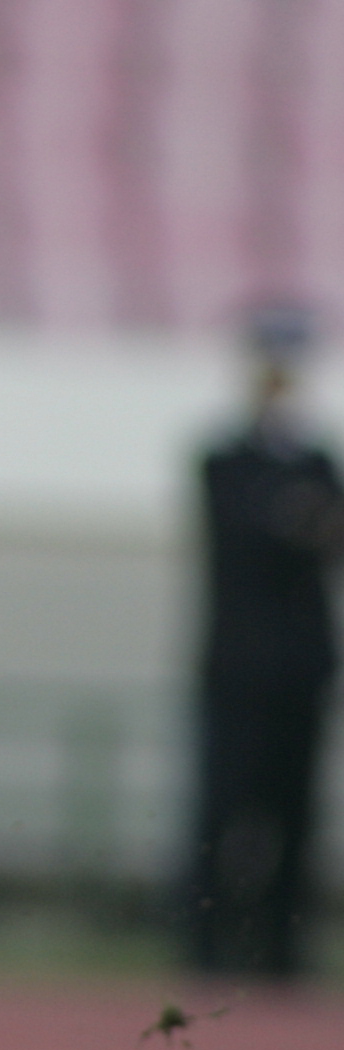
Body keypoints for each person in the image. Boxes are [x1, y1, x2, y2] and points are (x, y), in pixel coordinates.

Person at [184, 305, 339, 979]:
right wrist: (295, 520)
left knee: (295, 815)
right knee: (221, 810)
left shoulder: (318, 461)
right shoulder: (223, 459)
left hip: (301, 670)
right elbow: (254, 536)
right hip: (237, 669)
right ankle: (206, 943)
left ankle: (282, 949)